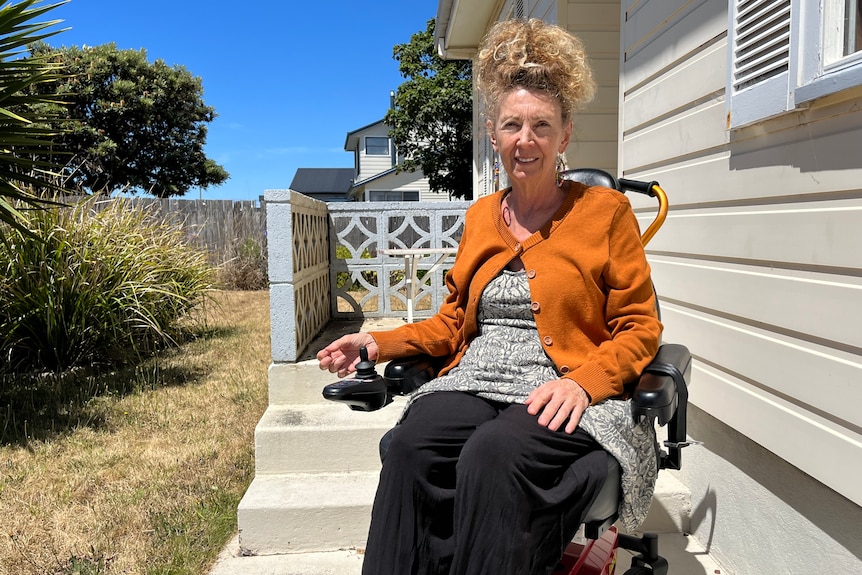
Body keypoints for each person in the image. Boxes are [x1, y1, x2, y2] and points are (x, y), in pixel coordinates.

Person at [317, 18, 662, 575]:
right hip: (478, 375)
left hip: (562, 383)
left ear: (565, 135)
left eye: (541, 126)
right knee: (410, 447)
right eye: (512, 125)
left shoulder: (606, 214)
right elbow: (453, 321)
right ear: (494, 133)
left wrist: (585, 382)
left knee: (491, 455)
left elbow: (640, 328)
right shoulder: (481, 217)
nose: (526, 140)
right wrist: (376, 342)